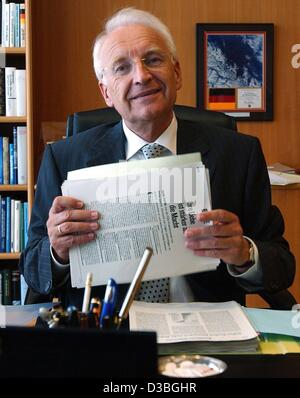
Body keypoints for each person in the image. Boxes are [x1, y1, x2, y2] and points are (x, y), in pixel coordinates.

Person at [20, 7, 295, 308]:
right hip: (107, 332)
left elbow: (282, 267)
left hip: (205, 333)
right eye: (122, 68)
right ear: (106, 92)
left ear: (176, 74)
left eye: (152, 59)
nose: (141, 76)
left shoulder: (239, 154)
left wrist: (244, 253)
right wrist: (58, 251)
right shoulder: (64, 158)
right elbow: (34, 271)